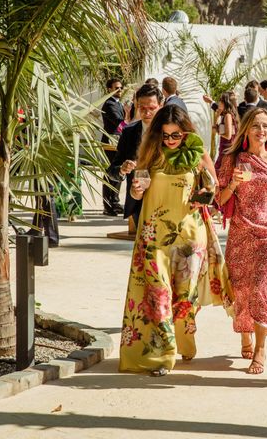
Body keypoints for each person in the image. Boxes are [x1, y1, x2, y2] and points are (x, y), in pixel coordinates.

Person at [119, 105, 232, 376]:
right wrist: (136, 190)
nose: (170, 140)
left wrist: (204, 194)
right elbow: (137, 196)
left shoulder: (197, 153)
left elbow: (212, 190)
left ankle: (185, 341)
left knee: (183, 298)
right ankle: (163, 355)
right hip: (153, 235)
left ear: (186, 133)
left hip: (190, 236)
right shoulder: (149, 155)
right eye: (165, 135)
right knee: (159, 294)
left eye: (176, 135)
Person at [217, 107, 267, 375]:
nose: (262, 131)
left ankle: (260, 348)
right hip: (241, 231)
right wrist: (233, 185)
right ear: (246, 130)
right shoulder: (233, 159)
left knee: (261, 287)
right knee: (242, 289)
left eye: (266, 126)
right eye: (256, 126)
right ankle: (245, 333)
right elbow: (220, 200)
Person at [107, 85, 163, 226]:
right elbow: (112, 171)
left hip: (166, 199)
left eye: (151, 108)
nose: (147, 112)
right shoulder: (129, 132)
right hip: (139, 203)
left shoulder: (170, 132)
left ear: (160, 106)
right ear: (136, 105)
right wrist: (122, 169)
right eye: (142, 108)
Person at [101, 78, 125, 216]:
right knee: (110, 173)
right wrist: (129, 127)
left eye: (121, 87)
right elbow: (118, 122)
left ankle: (115, 201)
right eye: (116, 88)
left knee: (119, 172)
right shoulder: (109, 104)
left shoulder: (119, 104)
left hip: (118, 142)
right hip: (110, 143)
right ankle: (108, 205)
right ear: (109, 89)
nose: (120, 90)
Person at [213, 91, 239, 170]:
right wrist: (217, 114)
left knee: (219, 170)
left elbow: (228, 136)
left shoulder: (228, 115)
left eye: (220, 100)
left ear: (225, 102)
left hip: (226, 149)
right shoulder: (226, 114)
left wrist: (217, 132)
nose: (219, 102)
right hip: (225, 148)